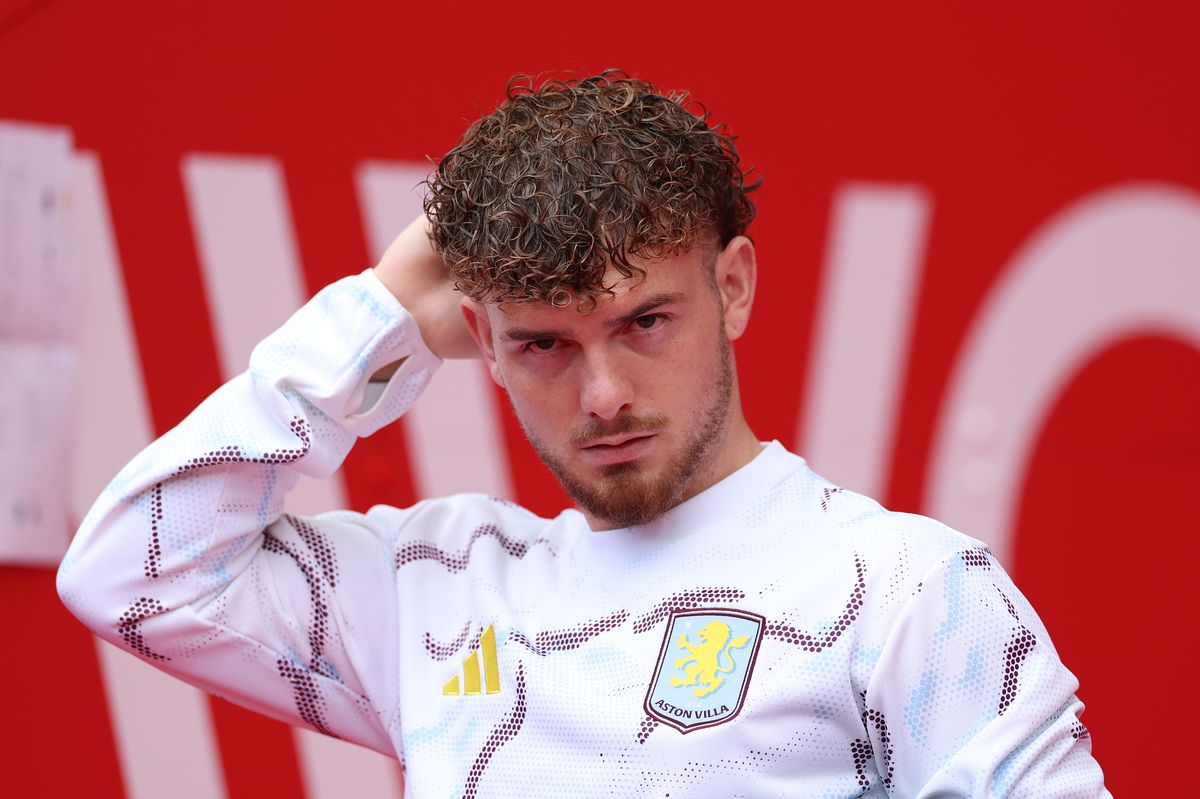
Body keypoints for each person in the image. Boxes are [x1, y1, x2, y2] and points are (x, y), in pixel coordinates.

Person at [58, 71, 1109, 797]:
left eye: (643, 322)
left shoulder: (909, 590)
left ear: (731, 285)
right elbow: (128, 574)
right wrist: (378, 317)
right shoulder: (439, 590)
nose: (603, 392)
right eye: (545, 344)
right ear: (477, 338)